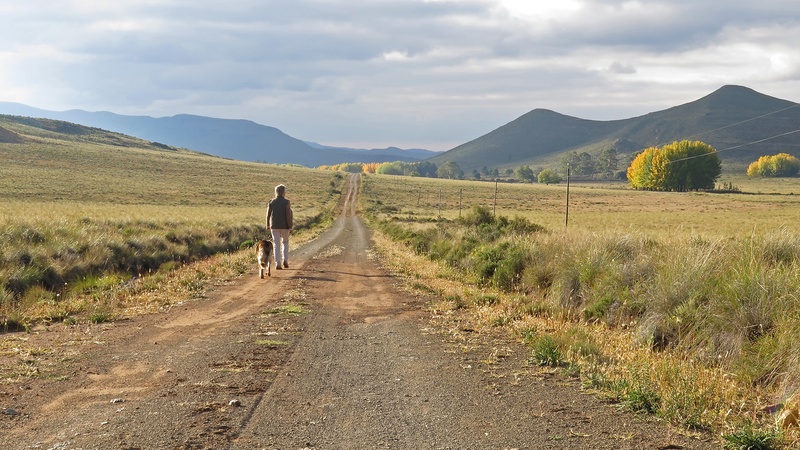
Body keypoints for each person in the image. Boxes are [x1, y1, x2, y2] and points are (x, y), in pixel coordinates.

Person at [265, 184, 293, 269]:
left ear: (276, 192)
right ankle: (285, 260)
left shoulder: (271, 202)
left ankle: (278, 263)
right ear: (284, 192)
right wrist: (290, 226)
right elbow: (288, 215)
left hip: (274, 226)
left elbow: (268, 215)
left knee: (276, 245)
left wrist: (267, 224)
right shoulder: (287, 202)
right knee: (285, 242)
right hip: (285, 226)